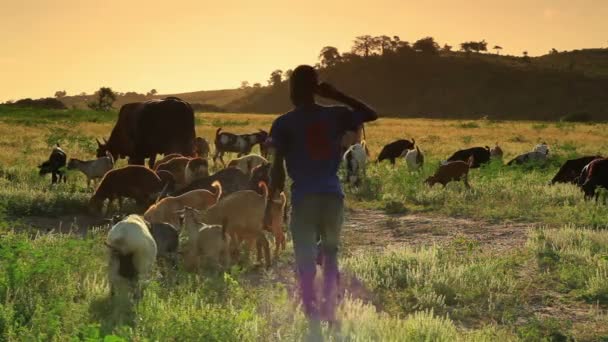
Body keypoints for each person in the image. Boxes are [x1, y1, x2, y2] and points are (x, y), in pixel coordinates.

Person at [265, 65, 377, 326]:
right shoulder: (336, 115)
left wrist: (268, 206)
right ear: (317, 89)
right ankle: (331, 310)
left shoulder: (283, 123)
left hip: (304, 197)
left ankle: (311, 314)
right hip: (332, 197)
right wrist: (337, 95)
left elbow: (277, 172)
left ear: (292, 90)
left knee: (304, 256)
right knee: (330, 252)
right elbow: (370, 114)